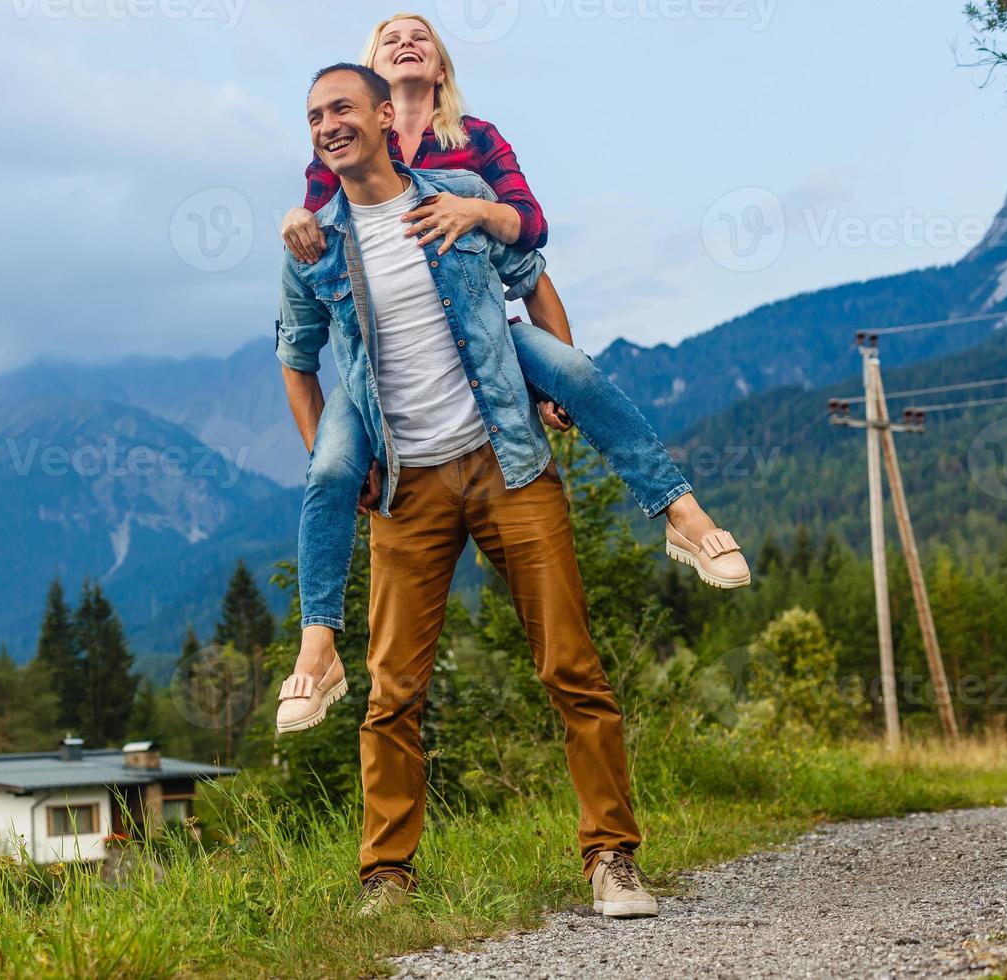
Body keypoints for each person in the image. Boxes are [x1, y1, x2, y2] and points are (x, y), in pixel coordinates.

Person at [274, 13, 749, 740]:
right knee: (330, 468)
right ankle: (318, 643)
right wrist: (291, 222)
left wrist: (476, 209)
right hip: (382, 386)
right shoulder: (335, 151)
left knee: (576, 370)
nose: (408, 41)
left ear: (430, 75)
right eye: (392, 35)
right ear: (370, 74)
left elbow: (530, 228)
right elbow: (316, 240)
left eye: (422, 36)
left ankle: (681, 512)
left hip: (492, 343)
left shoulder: (472, 146)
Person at [276, 62, 658, 918]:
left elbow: (533, 274)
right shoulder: (314, 243)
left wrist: (559, 377)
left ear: (384, 115)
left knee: (571, 667)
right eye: (312, 117)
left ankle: (612, 858)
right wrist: (339, 461)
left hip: (506, 462)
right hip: (405, 488)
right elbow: (296, 359)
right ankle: (387, 878)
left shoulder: (457, 199)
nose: (326, 126)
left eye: (341, 109)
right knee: (391, 694)